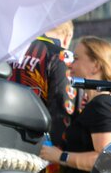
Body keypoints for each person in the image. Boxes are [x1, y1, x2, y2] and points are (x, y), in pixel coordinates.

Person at [38, 36, 111, 173]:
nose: (70, 64)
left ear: (95, 66)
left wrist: (60, 156)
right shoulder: (99, 104)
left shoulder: (103, 105)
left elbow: (108, 160)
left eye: (76, 58)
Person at [9, 19, 76, 147]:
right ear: (68, 36)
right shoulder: (61, 56)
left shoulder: (11, 52)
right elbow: (61, 106)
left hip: (1, 131)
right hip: (37, 141)